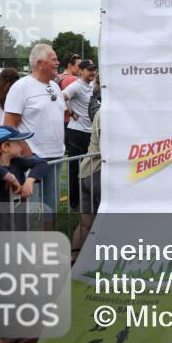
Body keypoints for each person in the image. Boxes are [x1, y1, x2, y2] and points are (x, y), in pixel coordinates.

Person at [3, 44, 65, 228]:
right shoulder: (21, 87)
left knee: (50, 207)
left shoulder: (54, 86)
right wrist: (28, 153)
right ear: (40, 63)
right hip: (32, 160)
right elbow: (9, 126)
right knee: (29, 210)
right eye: (54, 60)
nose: (58, 63)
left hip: (56, 157)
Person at [0, 125, 47, 231]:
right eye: (18, 143)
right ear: (5, 146)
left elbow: (42, 163)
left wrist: (29, 181)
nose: (22, 147)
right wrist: (11, 178)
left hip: (19, 221)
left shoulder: (18, 162)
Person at [63, 60, 97, 212]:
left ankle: (87, 200)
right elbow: (60, 97)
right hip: (76, 132)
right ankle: (74, 203)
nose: (92, 73)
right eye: (89, 70)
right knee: (76, 169)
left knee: (89, 168)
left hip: (89, 132)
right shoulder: (76, 85)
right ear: (81, 71)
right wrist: (69, 111)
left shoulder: (92, 85)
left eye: (94, 70)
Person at [71, 108, 102, 263]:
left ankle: (74, 260)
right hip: (99, 173)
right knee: (104, 222)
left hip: (86, 171)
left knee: (86, 223)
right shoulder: (110, 112)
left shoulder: (103, 110)